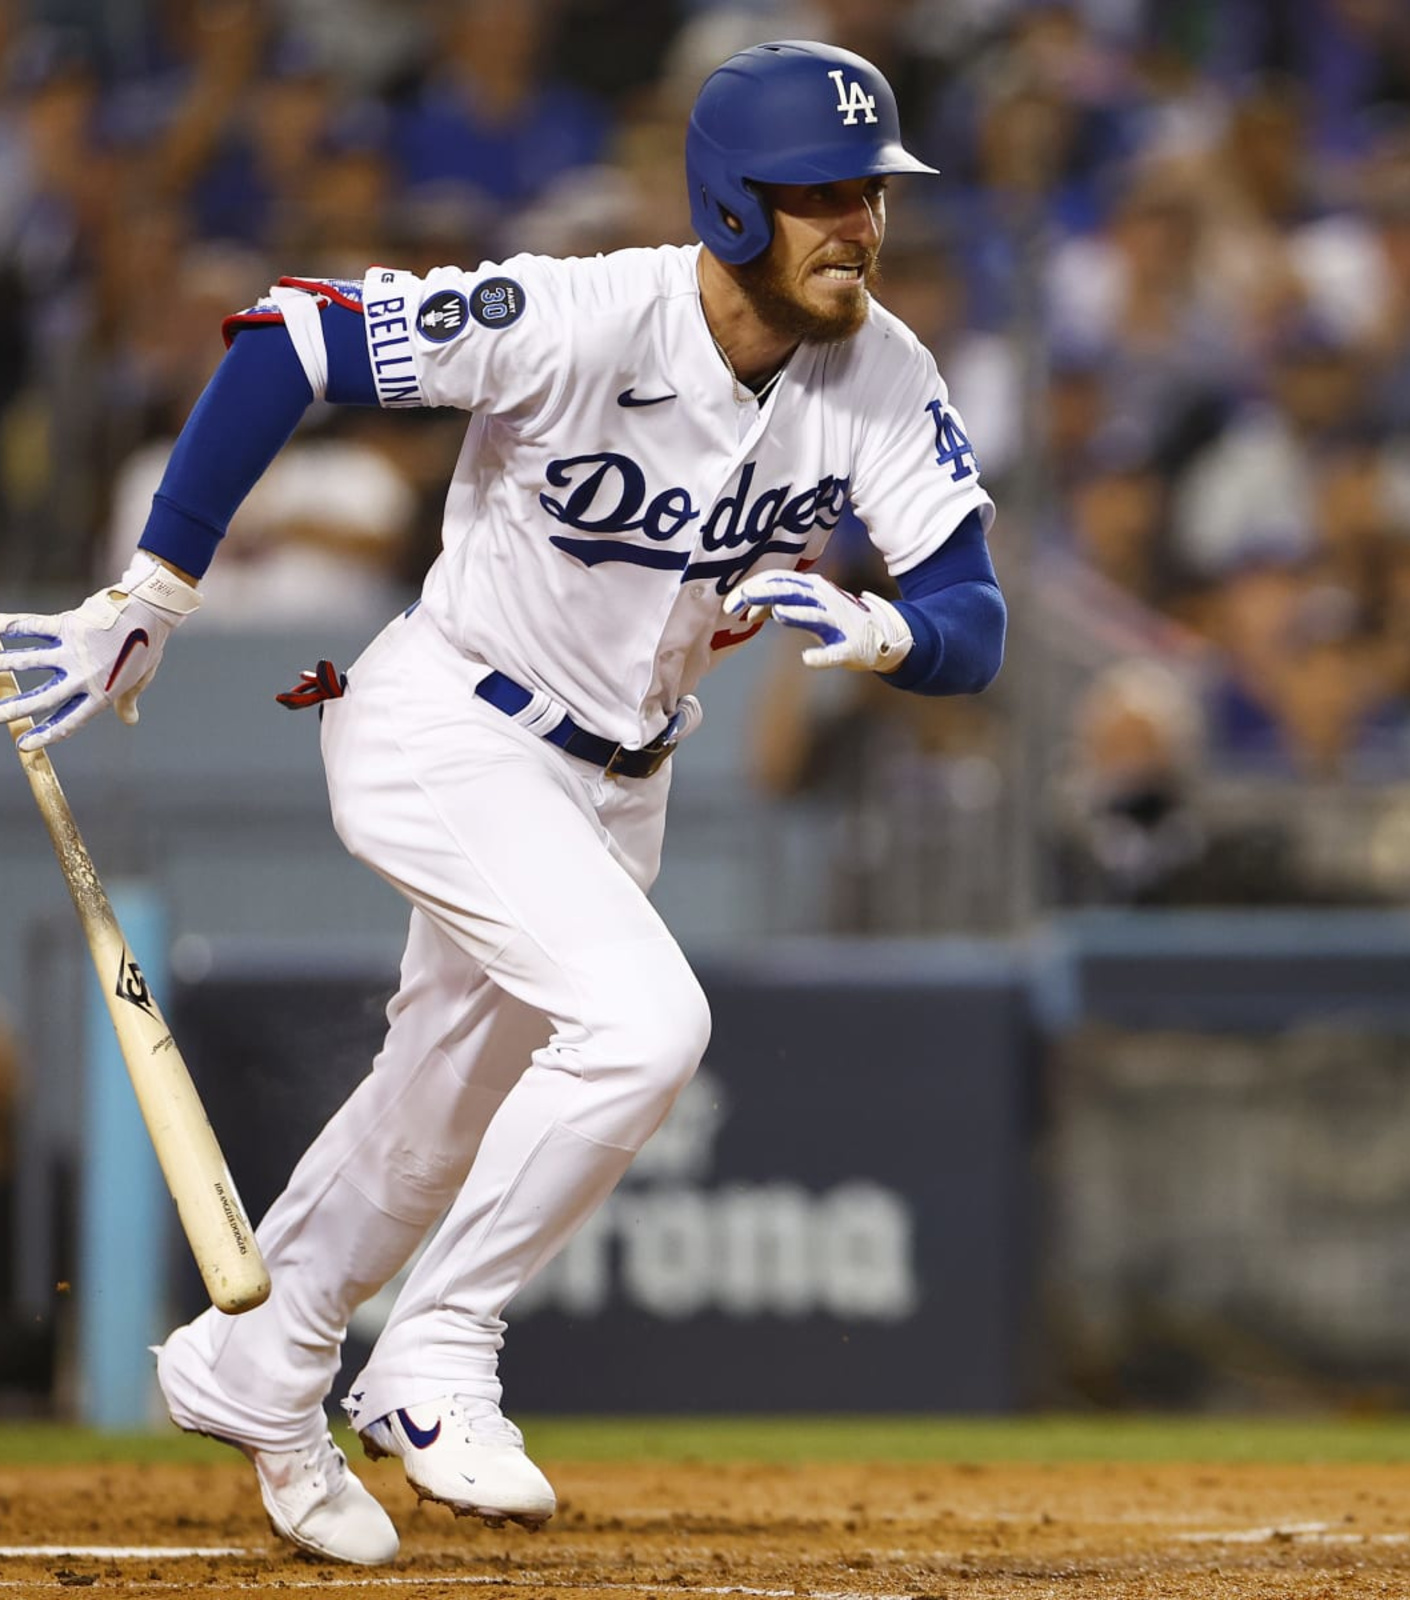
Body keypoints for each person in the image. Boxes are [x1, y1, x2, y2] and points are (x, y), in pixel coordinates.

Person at [0, 40, 1005, 1567]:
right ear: (735, 207)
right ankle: (434, 1359)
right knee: (647, 1026)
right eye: (824, 195)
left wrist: (893, 632)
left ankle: (255, 1363)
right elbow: (291, 340)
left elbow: (974, 618)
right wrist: (157, 584)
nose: (861, 224)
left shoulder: (880, 373)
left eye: (871, 192)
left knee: (432, 1117)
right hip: (450, 726)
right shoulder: (583, 312)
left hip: (621, 783)